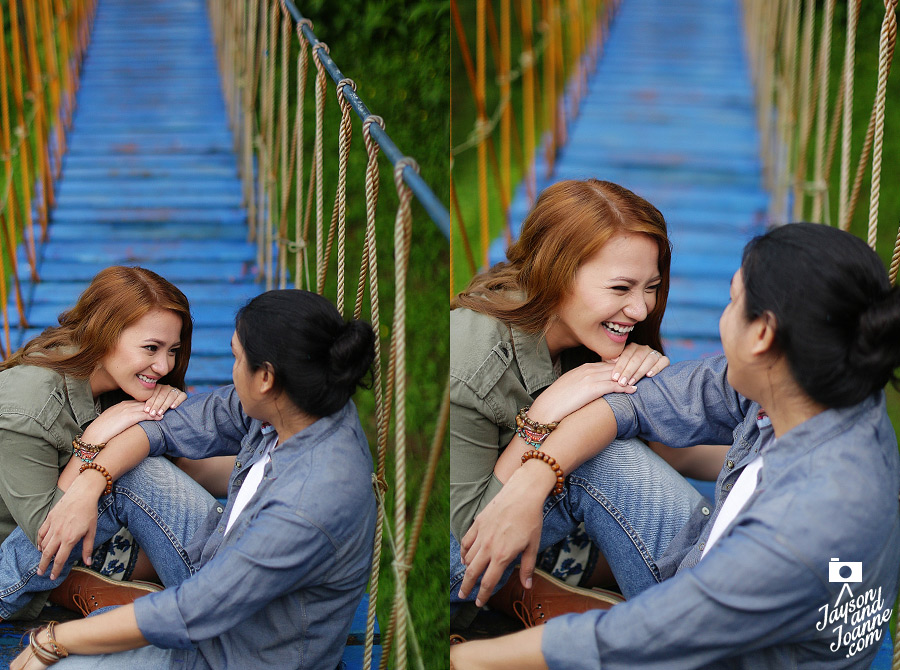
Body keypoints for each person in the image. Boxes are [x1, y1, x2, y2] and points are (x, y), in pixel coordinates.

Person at [451, 222, 900, 669]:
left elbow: (643, 639)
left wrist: (470, 660)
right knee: (598, 450)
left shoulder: (799, 529)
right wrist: (534, 475)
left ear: (762, 335)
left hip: (711, 651)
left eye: (732, 301)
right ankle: (553, 581)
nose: (643, 310)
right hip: (711, 580)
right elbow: (641, 405)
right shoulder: (824, 384)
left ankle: (502, 589)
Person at [6, 289, 377, 670]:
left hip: (240, 651)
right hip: (217, 566)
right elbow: (162, 429)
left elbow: (193, 612)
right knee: (128, 467)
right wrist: (91, 479)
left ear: (265, 377)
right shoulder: (297, 400)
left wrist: (53, 639)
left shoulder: (310, 500)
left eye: (236, 358)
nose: (231, 373)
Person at [451, 178, 715, 623]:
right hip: (463, 556)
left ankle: (570, 585)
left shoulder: (588, 334)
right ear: (557, 275)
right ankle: (713, 619)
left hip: (537, 526)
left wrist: (768, 453)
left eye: (650, 286)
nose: (641, 309)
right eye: (620, 289)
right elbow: (465, 539)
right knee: (598, 452)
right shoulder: (471, 359)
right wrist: (544, 417)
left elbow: (664, 448)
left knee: (602, 434)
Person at [0, 266, 194, 619]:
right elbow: (51, 533)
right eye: (151, 348)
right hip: (21, 554)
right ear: (105, 335)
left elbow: (186, 468)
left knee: (188, 533)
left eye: (173, 350)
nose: (164, 366)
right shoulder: (27, 409)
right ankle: (70, 589)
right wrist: (91, 441)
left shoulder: (116, 381)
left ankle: (77, 586)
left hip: (86, 530)